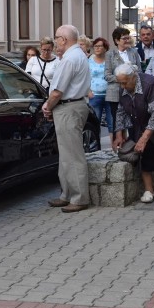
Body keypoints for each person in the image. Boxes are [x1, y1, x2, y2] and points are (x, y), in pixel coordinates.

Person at [112, 64, 154, 203]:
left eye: (125, 82)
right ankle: (148, 190)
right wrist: (119, 134)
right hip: (140, 122)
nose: (122, 86)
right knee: (144, 156)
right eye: (120, 83)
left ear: (133, 77)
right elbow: (120, 111)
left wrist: (144, 138)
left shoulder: (150, 84)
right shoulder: (123, 87)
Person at [42, 25, 92, 213]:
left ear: (63, 39)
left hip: (68, 107)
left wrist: (48, 106)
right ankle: (67, 194)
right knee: (66, 155)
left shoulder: (70, 58)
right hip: (71, 106)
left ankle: (79, 198)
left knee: (72, 156)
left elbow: (57, 91)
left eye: (57, 38)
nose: (55, 42)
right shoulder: (77, 55)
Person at [104, 27, 142, 141]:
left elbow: (139, 71)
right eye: (124, 38)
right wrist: (122, 79)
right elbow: (107, 75)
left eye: (128, 38)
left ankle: (133, 144)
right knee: (117, 120)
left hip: (132, 91)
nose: (127, 40)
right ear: (116, 41)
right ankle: (119, 146)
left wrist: (132, 80)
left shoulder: (134, 52)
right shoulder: (110, 54)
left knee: (133, 119)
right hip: (115, 92)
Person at [88, 38, 109, 125]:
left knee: (112, 124)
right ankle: (96, 139)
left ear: (105, 48)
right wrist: (88, 91)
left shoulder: (110, 60)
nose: (97, 48)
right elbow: (85, 77)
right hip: (95, 95)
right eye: (95, 46)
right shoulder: (89, 61)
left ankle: (113, 139)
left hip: (109, 95)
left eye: (99, 46)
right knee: (95, 122)